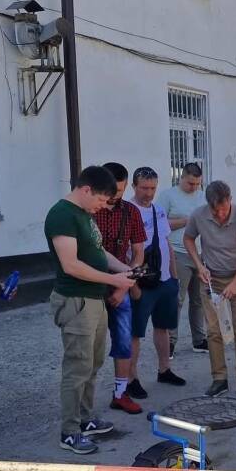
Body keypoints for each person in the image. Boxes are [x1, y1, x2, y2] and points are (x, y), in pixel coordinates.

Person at [44, 165, 136, 455]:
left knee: (92, 364)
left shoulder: (84, 214)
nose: (102, 207)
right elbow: (70, 264)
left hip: (93, 301)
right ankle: (69, 432)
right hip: (76, 302)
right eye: (100, 200)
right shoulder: (62, 215)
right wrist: (114, 279)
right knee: (77, 367)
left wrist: (126, 269)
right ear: (85, 190)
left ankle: (85, 419)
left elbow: (98, 252)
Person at [183, 180, 236, 400]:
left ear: (230, 200)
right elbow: (188, 238)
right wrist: (199, 265)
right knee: (214, 332)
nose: (220, 215)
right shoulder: (199, 215)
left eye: (224, 209)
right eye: (215, 211)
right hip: (211, 280)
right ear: (208, 205)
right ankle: (219, 379)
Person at [93, 162, 147, 414]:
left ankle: (120, 393)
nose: (116, 197)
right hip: (91, 283)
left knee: (124, 339)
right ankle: (84, 402)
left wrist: (125, 285)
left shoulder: (131, 212)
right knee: (90, 345)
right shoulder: (90, 211)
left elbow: (138, 253)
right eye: (113, 191)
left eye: (121, 191)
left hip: (121, 281)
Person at [128, 167, 186, 394]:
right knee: (135, 332)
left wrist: (173, 277)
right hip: (141, 283)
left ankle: (164, 370)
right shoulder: (128, 212)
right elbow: (125, 252)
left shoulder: (158, 210)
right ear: (134, 187)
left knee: (162, 327)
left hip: (164, 281)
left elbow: (166, 243)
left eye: (153, 188)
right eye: (144, 188)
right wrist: (132, 285)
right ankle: (131, 379)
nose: (149, 193)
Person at [157, 162, 208, 358]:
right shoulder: (168, 196)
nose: (194, 187)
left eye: (197, 184)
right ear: (182, 178)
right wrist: (187, 221)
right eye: (190, 183)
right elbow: (160, 223)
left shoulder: (203, 197)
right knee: (176, 299)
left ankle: (199, 339)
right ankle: (170, 341)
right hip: (177, 253)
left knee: (199, 300)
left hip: (200, 254)